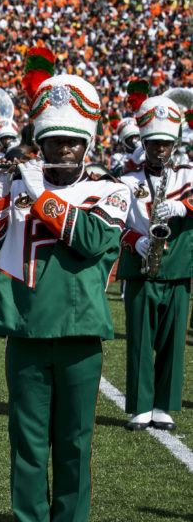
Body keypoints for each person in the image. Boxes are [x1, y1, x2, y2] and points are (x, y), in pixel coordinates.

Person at [0, 69, 128, 521]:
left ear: (88, 144)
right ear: (39, 142)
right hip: (24, 332)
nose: (64, 148)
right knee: (26, 446)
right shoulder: (20, 186)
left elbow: (90, 239)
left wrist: (40, 193)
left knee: (73, 445)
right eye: (54, 140)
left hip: (81, 334)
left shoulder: (110, 189)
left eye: (73, 141)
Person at [116, 94, 192, 432]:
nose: (160, 148)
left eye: (165, 143)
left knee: (173, 341)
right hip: (141, 268)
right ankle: (140, 406)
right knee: (139, 341)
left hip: (177, 269)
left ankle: (163, 405)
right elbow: (114, 224)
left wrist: (184, 208)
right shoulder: (128, 181)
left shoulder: (186, 176)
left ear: (174, 144)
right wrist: (138, 240)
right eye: (154, 143)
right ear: (144, 143)